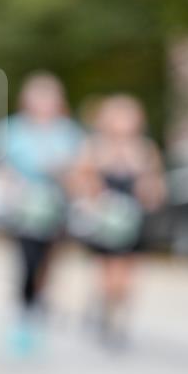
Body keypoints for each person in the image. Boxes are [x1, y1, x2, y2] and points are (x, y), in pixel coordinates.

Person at [65, 94, 164, 348]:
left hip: (133, 221)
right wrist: (94, 196)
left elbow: (156, 190)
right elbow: (78, 181)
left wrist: (148, 190)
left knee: (127, 276)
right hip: (105, 221)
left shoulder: (145, 150)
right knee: (107, 272)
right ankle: (104, 310)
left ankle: (119, 315)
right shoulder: (94, 148)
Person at [0, 72, 84, 355]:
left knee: (48, 260)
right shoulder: (12, 130)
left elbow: (81, 169)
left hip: (56, 205)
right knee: (27, 259)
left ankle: (39, 301)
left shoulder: (69, 133)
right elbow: (0, 167)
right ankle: (25, 311)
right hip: (22, 207)